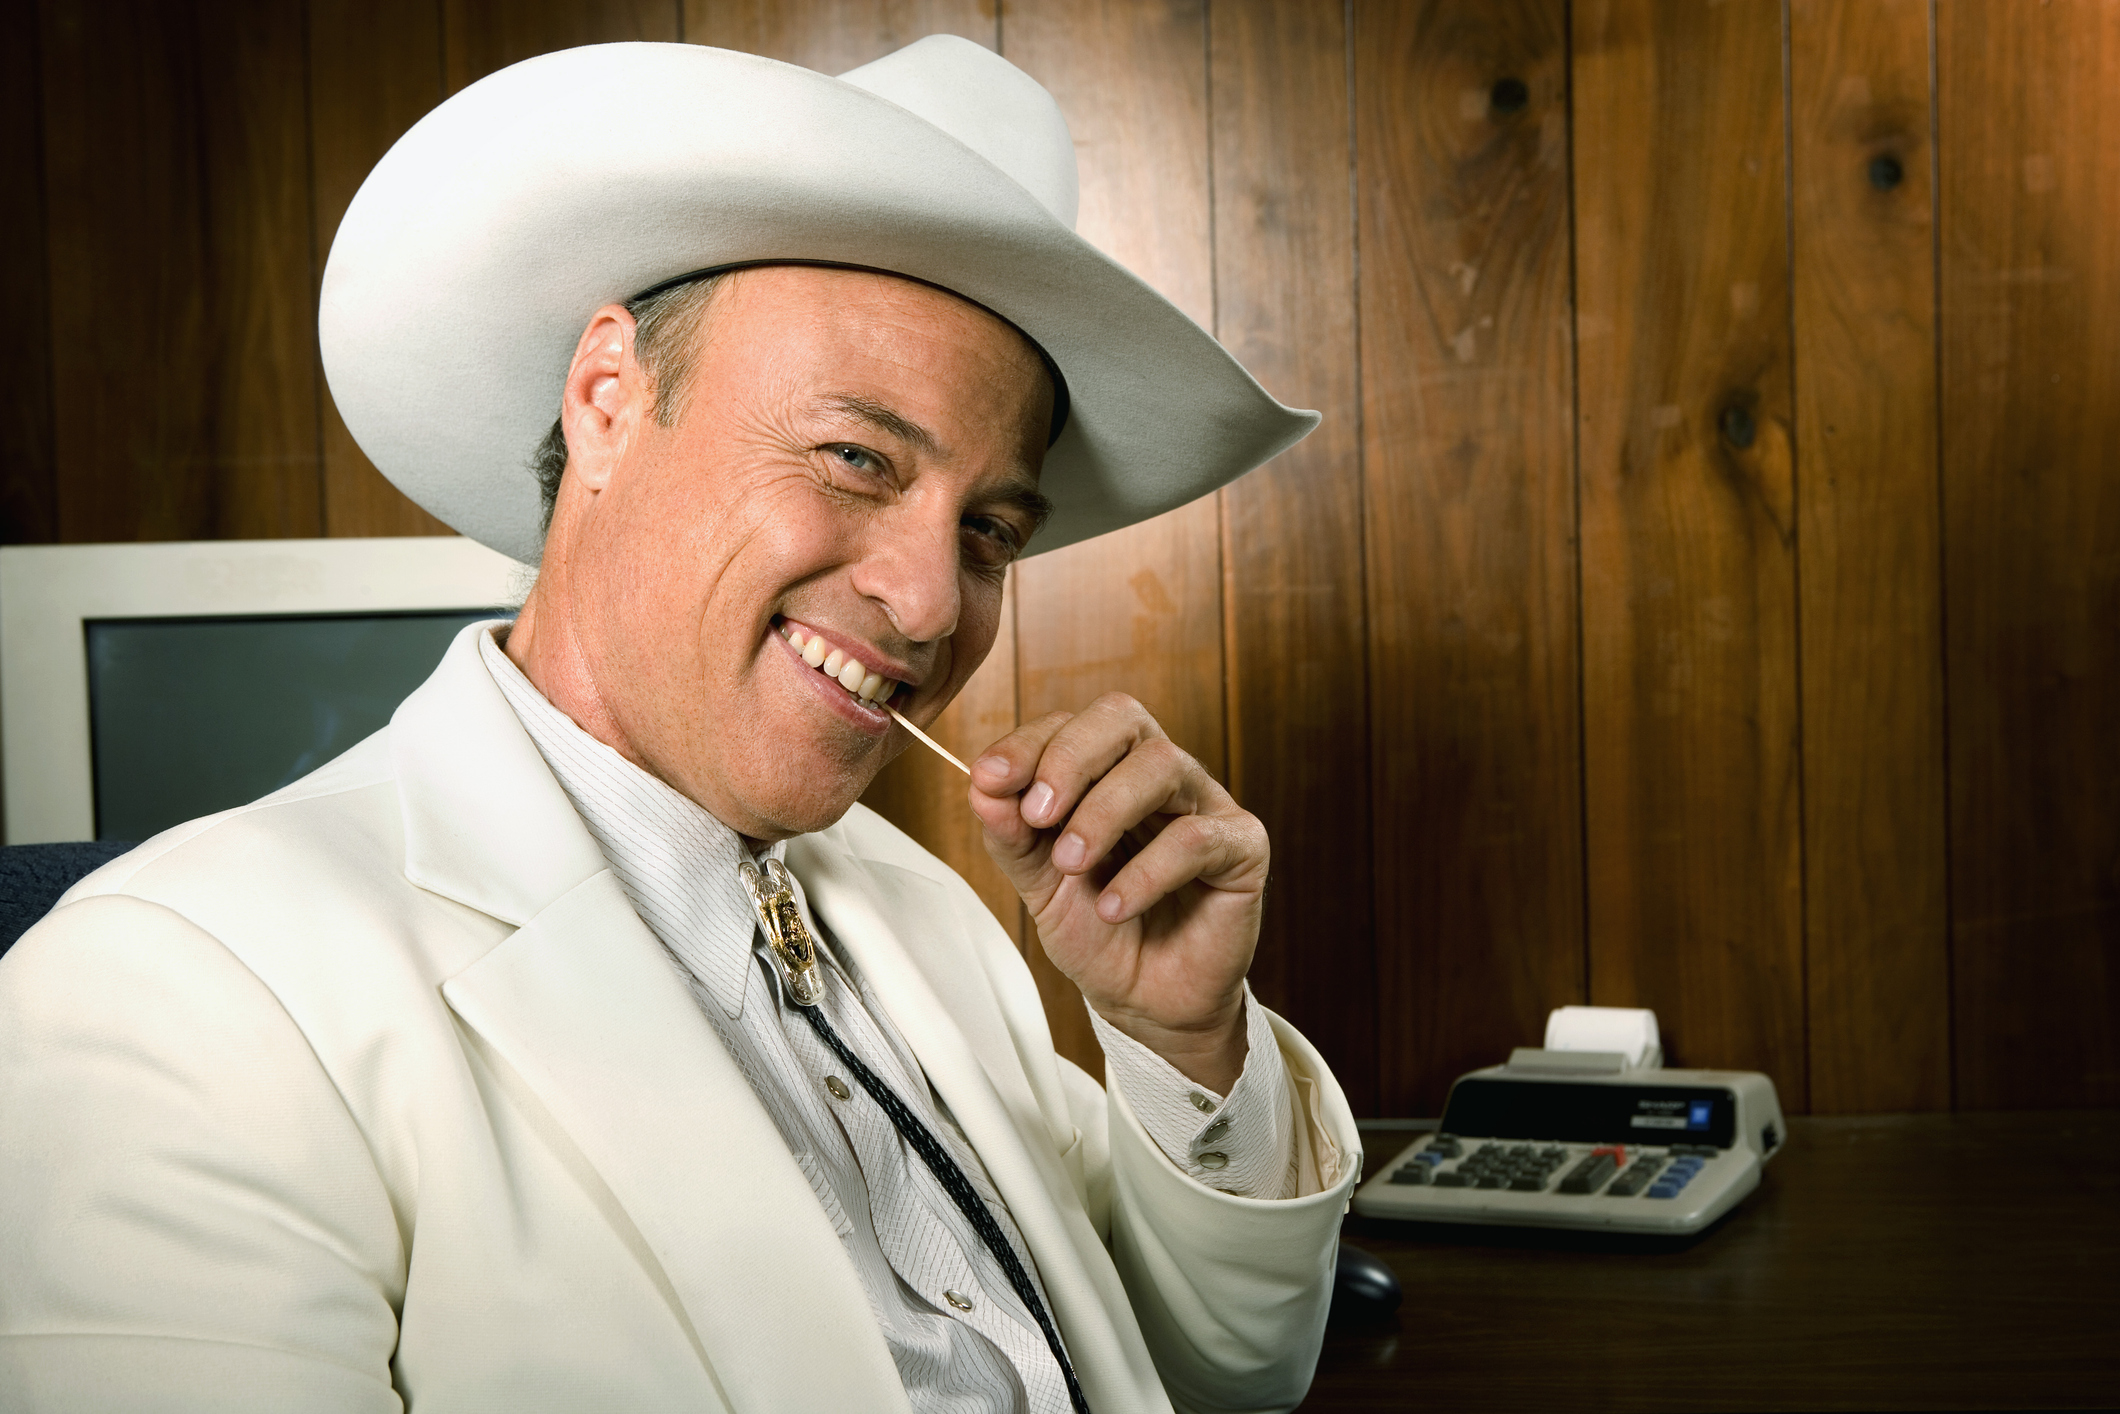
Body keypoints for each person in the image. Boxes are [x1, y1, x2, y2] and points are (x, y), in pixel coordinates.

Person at [0, 36, 1359, 1414]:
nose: (931, 598)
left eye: (990, 529)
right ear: (607, 401)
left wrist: (1183, 1045)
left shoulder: (925, 916)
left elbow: (1216, 1374)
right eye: (856, 458)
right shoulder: (176, 994)